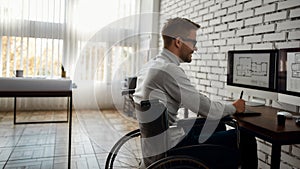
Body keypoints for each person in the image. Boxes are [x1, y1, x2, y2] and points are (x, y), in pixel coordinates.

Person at [133, 17, 257, 169]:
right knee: (245, 136)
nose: (195, 48)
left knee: (217, 125)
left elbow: (199, 104)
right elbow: (204, 108)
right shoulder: (168, 69)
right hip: (173, 149)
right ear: (178, 42)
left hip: (155, 146)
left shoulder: (150, 66)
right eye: (193, 42)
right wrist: (234, 107)